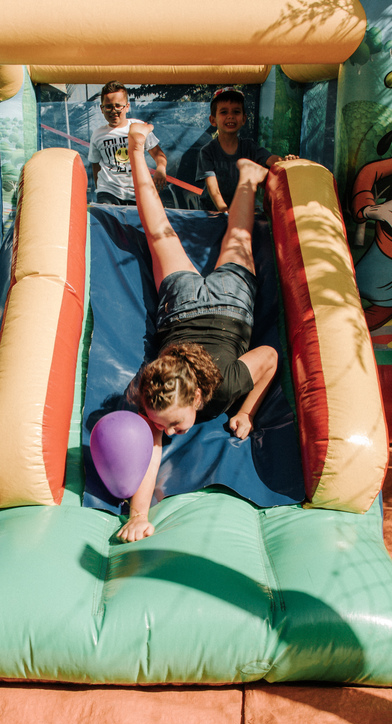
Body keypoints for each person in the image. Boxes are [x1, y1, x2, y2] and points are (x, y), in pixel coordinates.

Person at [117, 123, 278, 543]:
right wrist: (137, 515)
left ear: (194, 397)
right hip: (201, 304)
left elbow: (269, 359)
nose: (167, 433)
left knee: (225, 235)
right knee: (170, 233)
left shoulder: (222, 385)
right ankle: (242, 175)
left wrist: (246, 411)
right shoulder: (157, 394)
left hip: (220, 306)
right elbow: (150, 453)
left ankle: (244, 177)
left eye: (170, 425)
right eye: (165, 427)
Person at [196, 88, 296, 213]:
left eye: (236, 112)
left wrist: (286, 161)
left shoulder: (249, 147)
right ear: (213, 120)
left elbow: (272, 160)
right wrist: (224, 210)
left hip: (242, 210)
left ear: (243, 119)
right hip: (213, 212)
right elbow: (212, 187)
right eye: (224, 112)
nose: (230, 116)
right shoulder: (208, 151)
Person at [87, 81, 167, 205]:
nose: (113, 111)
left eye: (118, 106)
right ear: (101, 109)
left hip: (137, 190)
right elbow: (96, 164)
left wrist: (161, 169)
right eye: (108, 106)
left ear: (127, 107)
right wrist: (99, 189)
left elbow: (158, 155)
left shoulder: (138, 127)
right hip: (108, 192)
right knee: (110, 222)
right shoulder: (98, 134)